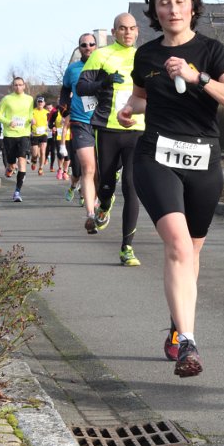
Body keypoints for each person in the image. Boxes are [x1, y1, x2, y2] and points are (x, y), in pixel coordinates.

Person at [118, 0, 224, 377]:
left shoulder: (212, 51)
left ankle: (179, 325)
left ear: (193, 7)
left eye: (179, 1)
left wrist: (199, 77)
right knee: (177, 244)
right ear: (154, 11)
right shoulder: (146, 55)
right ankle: (189, 345)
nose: (172, 9)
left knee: (191, 253)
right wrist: (129, 109)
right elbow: (143, 97)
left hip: (203, 161)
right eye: (164, 3)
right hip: (156, 156)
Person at [77, 13, 144, 265]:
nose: (128, 33)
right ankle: (104, 204)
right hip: (107, 128)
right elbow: (81, 88)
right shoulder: (100, 55)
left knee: (131, 185)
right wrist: (104, 81)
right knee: (105, 183)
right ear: (114, 32)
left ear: (137, 31)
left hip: (138, 129)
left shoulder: (144, 56)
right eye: (122, 29)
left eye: (132, 28)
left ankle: (127, 247)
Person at [58, 33, 98, 211]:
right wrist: (64, 108)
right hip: (80, 120)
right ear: (79, 48)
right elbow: (65, 89)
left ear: (96, 46)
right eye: (84, 45)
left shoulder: (104, 65)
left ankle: (97, 196)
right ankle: (91, 208)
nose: (88, 47)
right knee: (86, 167)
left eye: (91, 44)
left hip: (102, 121)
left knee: (100, 167)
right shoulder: (73, 69)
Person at [0, 77, 34, 202]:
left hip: (24, 134)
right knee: (12, 163)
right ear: (13, 86)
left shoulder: (29, 99)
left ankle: (17, 191)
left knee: (22, 161)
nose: (18, 87)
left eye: (20, 84)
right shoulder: (7, 99)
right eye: (16, 85)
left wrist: (31, 119)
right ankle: (9, 168)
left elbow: (30, 114)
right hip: (10, 134)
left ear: (24, 86)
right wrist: (8, 122)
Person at [30, 96, 49, 175]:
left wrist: (50, 126)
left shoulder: (47, 112)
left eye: (41, 102)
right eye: (39, 102)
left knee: (42, 151)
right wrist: (30, 120)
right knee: (35, 153)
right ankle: (34, 160)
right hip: (35, 134)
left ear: (44, 103)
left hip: (44, 134)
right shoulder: (32, 112)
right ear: (37, 103)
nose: (40, 103)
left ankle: (41, 168)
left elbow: (50, 122)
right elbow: (27, 120)